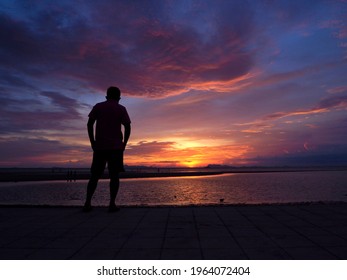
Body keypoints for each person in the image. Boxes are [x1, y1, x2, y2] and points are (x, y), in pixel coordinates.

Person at [83, 86, 131, 212]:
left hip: (100, 146)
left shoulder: (98, 106)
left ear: (106, 96)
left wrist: (92, 141)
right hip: (115, 147)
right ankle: (112, 204)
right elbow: (127, 127)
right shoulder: (121, 109)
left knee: (95, 176)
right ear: (119, 98)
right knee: (114, 176)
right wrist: (124, 143)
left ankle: (87, 203)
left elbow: (89, 124)